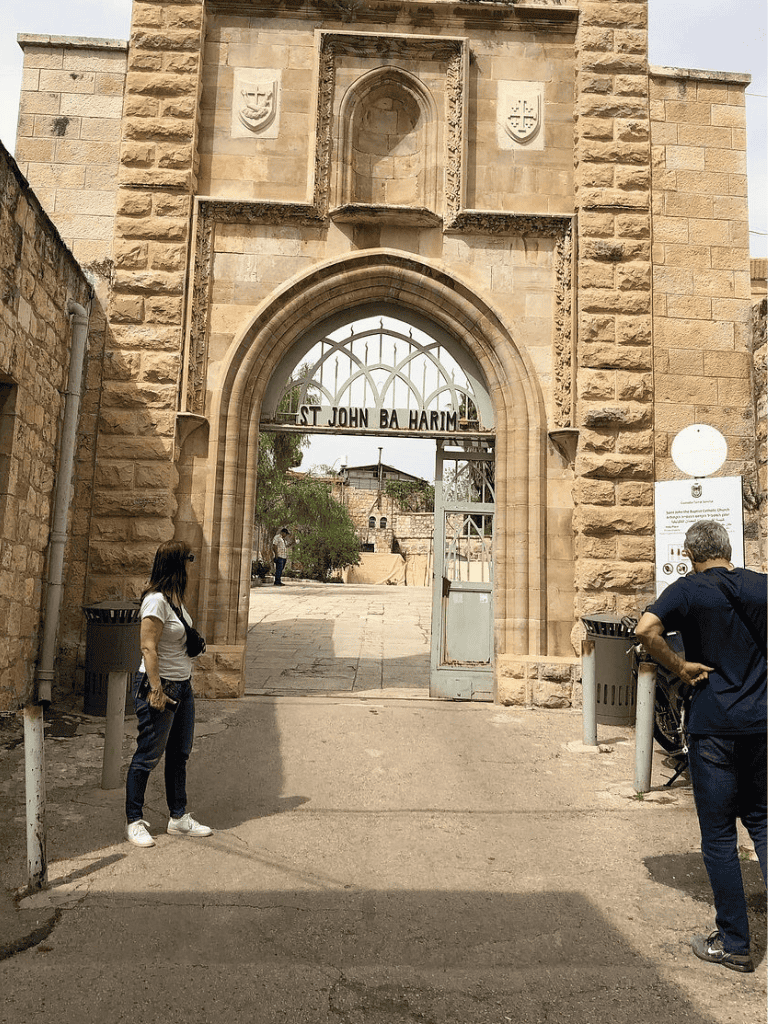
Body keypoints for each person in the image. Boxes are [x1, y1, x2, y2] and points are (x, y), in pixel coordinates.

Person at [635, 520, 766, 973]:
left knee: (719, 836)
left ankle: (734, 943)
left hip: (713, 727)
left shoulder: (688, 591)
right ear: (729, 549)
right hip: (762, 723)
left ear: (690, 554)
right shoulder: (762, 586)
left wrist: (680, 666)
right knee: (764, 822)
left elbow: (645, 630)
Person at [125, 540, 212, 848]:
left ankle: (178, 817)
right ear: (177, 565)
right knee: (148, 754)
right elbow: (148, 646)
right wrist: (156, 689)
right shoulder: (155, 601)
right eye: (188, 561)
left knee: (179, 753)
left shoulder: (175, 600)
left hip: (182, 686)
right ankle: (134, 821)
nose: (191, 567)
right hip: (160, 686)